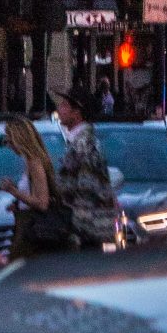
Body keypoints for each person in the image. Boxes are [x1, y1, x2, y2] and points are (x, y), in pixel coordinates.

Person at [52, 87, 116, 249]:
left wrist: (75, 230)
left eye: (65, 105)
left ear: (77, 112)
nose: (59, 109)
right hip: (84, 227)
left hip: (87, 229)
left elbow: (86, 189)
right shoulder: (78, 142)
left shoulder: (84, 144)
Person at [1, 118, 72, 258]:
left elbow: (42, 203)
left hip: (32, 230)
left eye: (10, 140)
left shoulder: (35, 163)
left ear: (19, 139)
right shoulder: (30, 161)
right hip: (24, 224)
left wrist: (13, 191)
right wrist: (18, 204)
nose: (8, 145)